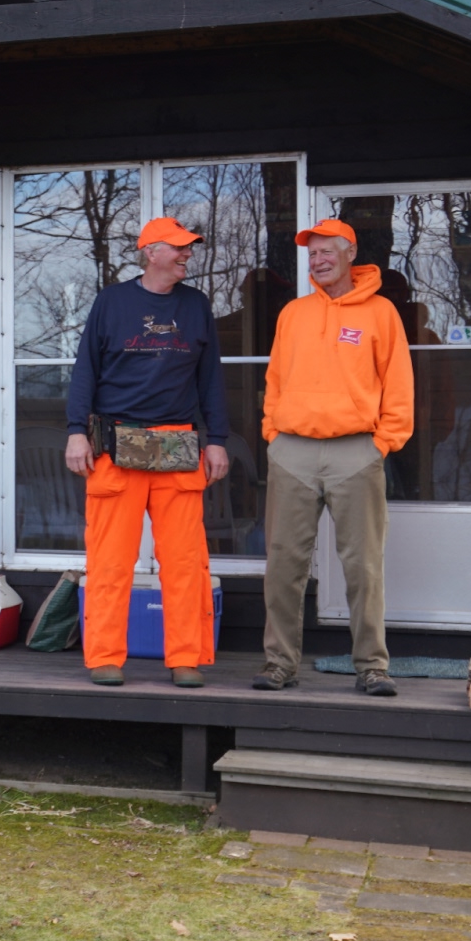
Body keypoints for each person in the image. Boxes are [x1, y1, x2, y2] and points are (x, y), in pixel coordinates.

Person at [65, 217, 230, 688]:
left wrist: (216, 439)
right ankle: (104, 657)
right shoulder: (112, 302)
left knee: (185, 563)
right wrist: (77, 431)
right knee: (110, 562)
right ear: (150, 251)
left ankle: (185, 658)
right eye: (178, 249)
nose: (187, 256)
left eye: (189, 249)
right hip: (115, 445)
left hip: (179, 446)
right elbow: (85, 372)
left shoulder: (196, 306)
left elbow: (211, 379)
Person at [254, 217, 414, 697]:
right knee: (283, 562)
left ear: (350, 255)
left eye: (327, 252)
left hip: (355, 451)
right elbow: (275, 379)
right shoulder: (293, 314)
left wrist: (383, 442)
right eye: (312, 253)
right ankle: (279, 664)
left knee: (363, 564)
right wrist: (273, 434)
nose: (318, 260)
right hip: (292, 452)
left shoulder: (381, 312)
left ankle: (371, 666)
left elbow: (399, 384)